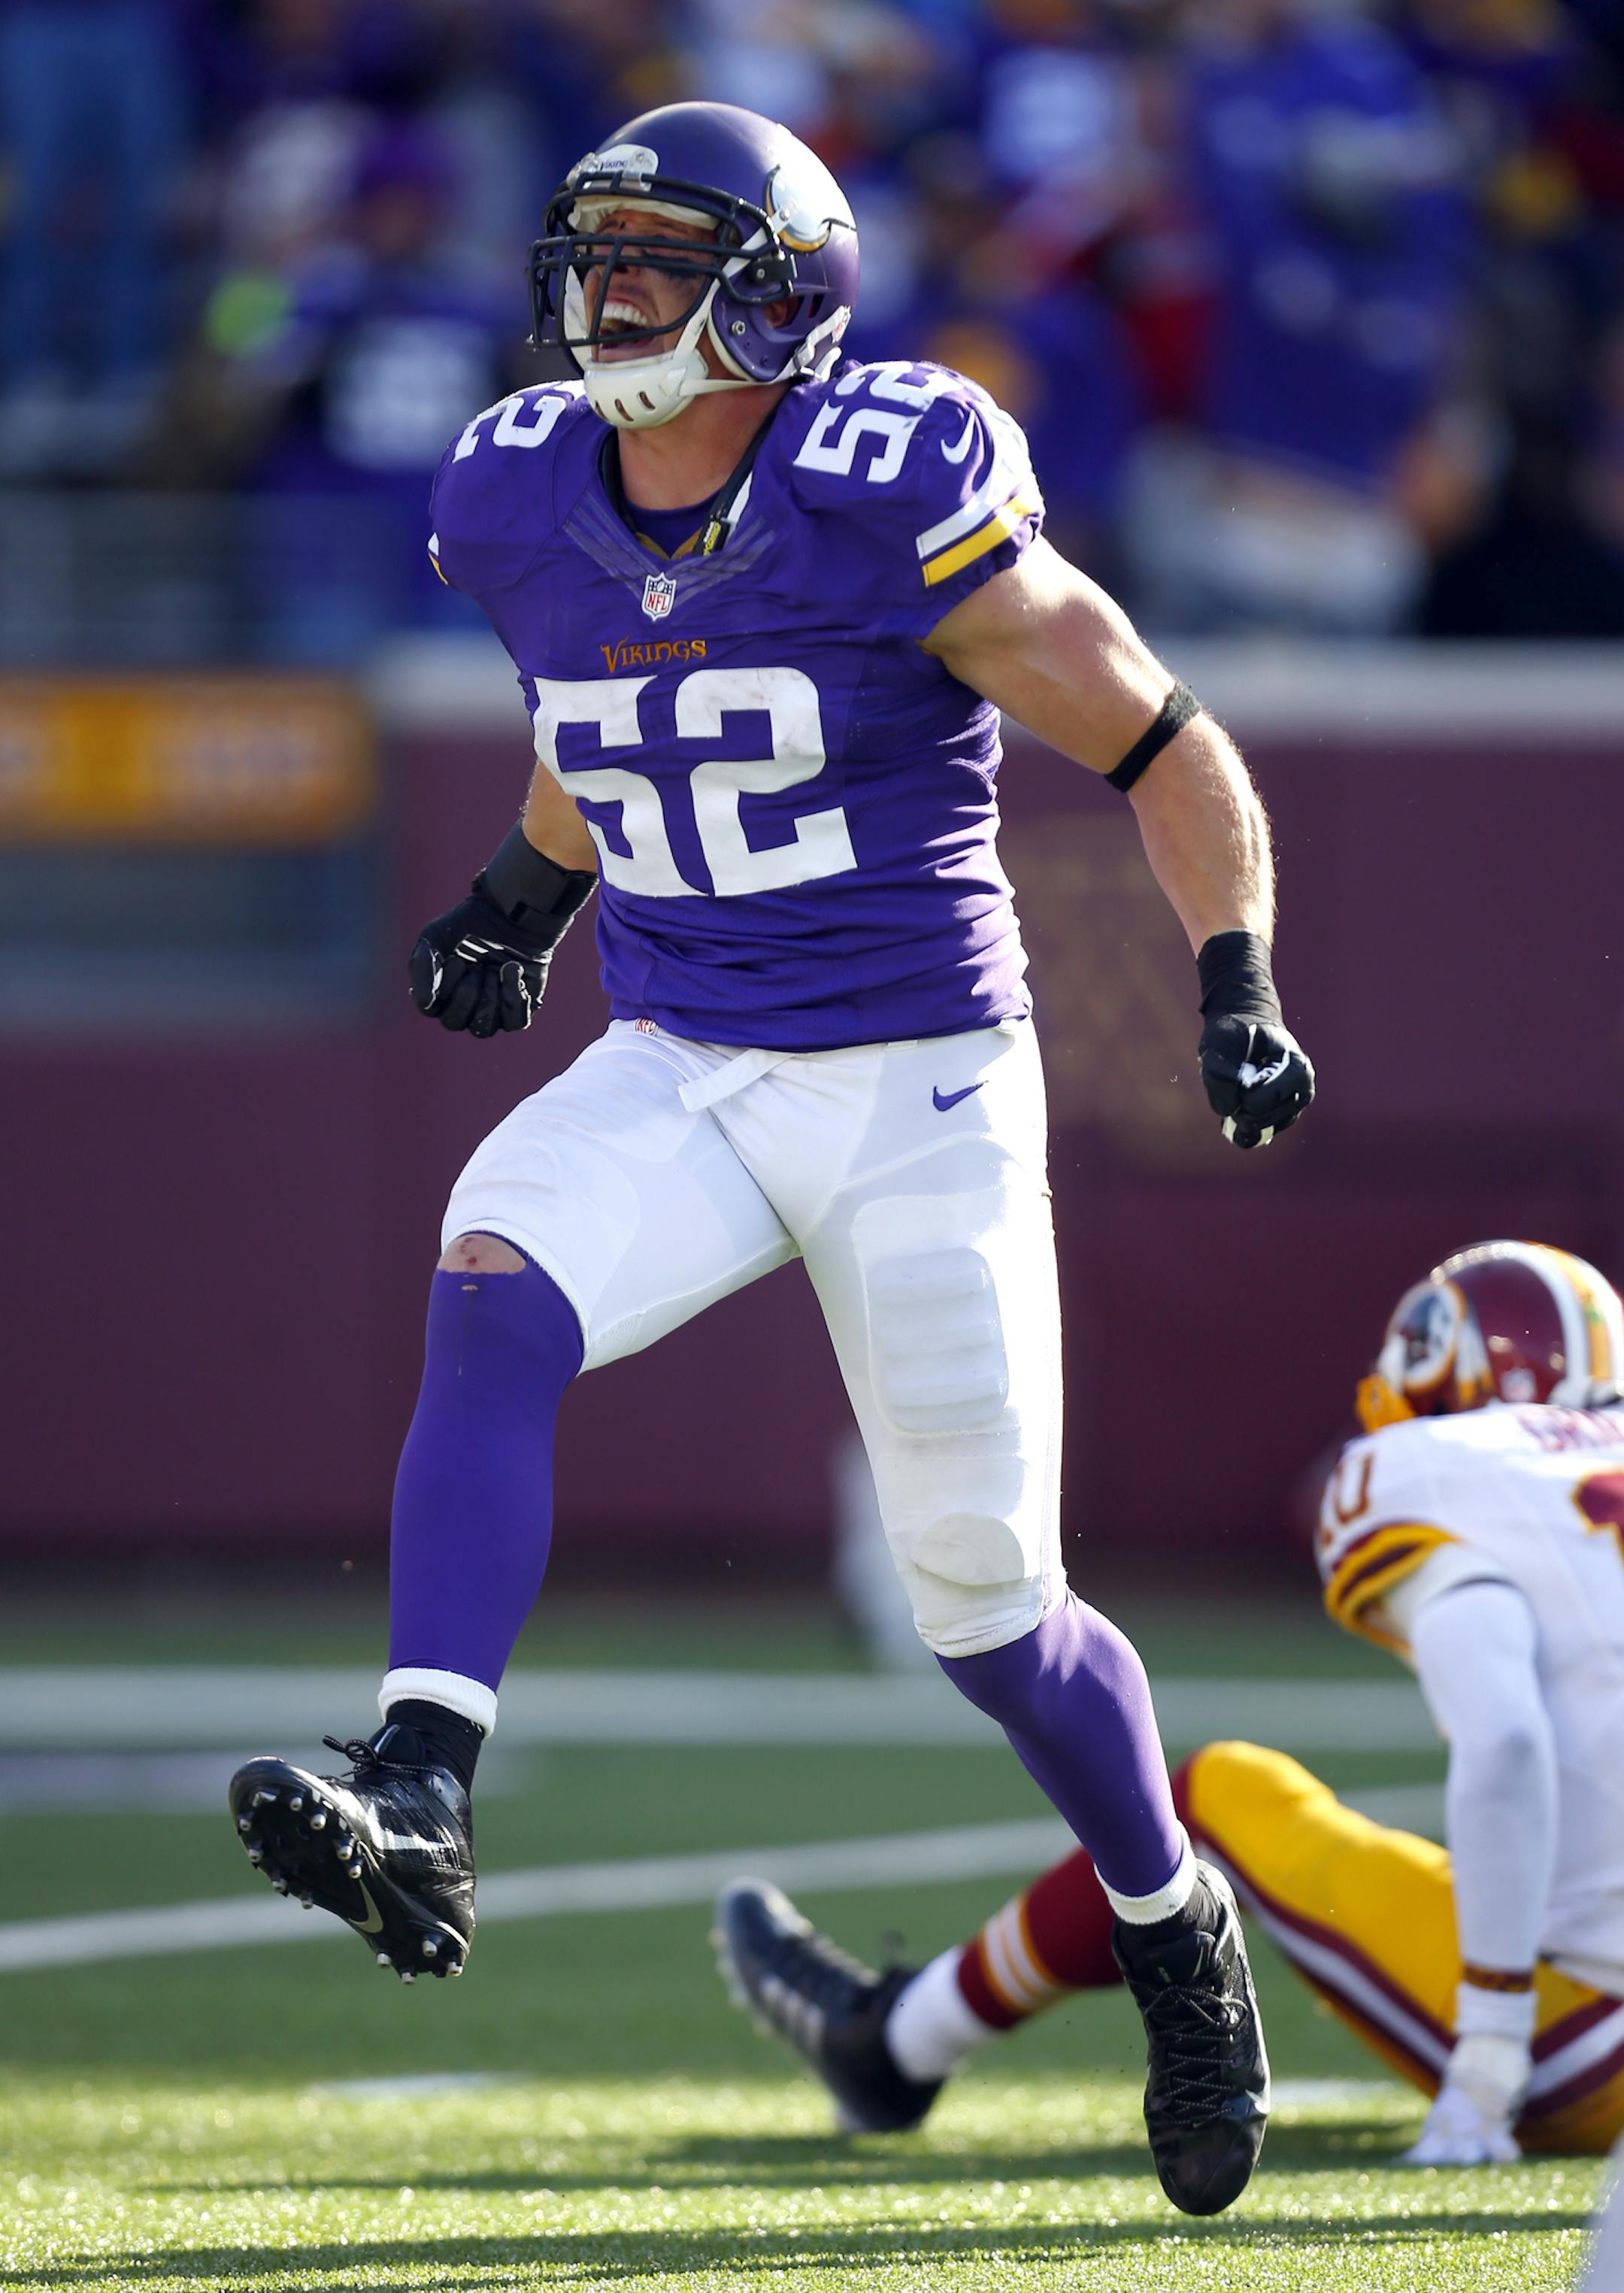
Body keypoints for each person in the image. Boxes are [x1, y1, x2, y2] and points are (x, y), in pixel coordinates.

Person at [226, 99, 1313, 2217]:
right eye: (597, 254)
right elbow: (606, 702)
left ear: (778, 293)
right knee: (494, 1265)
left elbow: (1163, 738)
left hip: (919, 1084)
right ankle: (426, 1784)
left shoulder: (889, 489)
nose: (610, 294)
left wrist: (1239, 976)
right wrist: (519, 901)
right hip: (690, 1054)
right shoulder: (526, 491)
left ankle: (1177, 1930)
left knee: (993, 1613)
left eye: (657, 259)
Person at [717, 1242, 1624, 2169]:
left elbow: (1507, 1741)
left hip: (1596, 2046)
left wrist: (1488, 2062)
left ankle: (900, 2042)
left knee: (1225, 1790)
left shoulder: (1435, 1468)